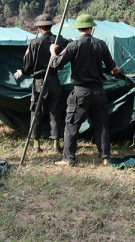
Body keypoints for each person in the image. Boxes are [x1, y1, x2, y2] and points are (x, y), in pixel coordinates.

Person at [49, 14, 120, 166]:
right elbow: (113, 69)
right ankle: (106, 156)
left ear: (78, 29)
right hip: (98, 92)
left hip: (80, 92)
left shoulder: (73, 46)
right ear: (92, 28)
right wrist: (116, 70)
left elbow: (55, 64)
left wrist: (53, 52)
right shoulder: (101, 44)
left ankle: (69, 159)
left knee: (72, 125)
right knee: (101, 125)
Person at [16, 14, 68, 153]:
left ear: (39, 27)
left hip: (40, 81)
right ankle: (56, 145)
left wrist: (22, 72)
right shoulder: (60, 41)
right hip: (55, 79)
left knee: (36, 111)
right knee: (55, 111)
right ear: (51, 26)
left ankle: (36, 144)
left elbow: (27, 66)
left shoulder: (34, 43)